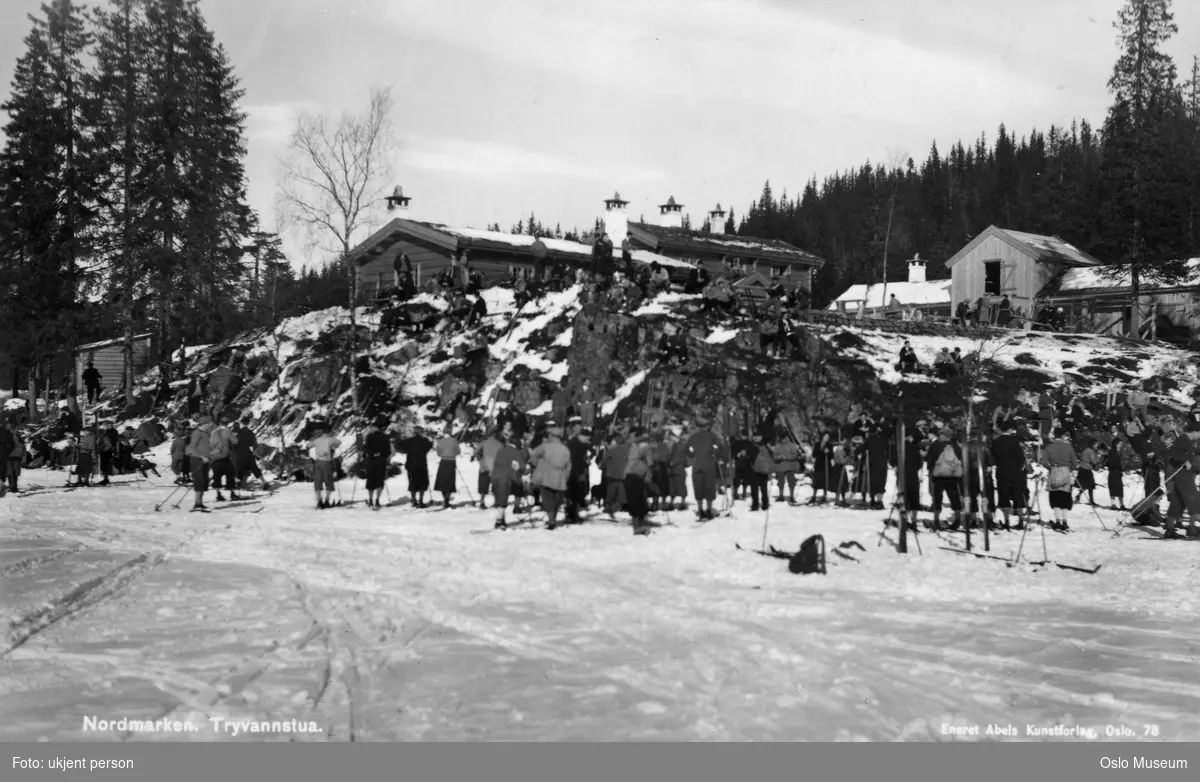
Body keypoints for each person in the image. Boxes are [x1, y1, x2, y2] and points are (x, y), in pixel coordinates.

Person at [529, 425, 572, 529]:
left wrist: (537, 464)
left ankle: (551, 520)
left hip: (546, 476)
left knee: (547, 498)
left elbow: (533, 455)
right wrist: (565, 477)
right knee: (557, 499)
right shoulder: (565, 449)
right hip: (560, 478)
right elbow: (569, 466)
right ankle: (554, 518)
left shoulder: (545, 446)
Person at [1161, 427, 1200, 539]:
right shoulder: (1183, 439)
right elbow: (1176, 454)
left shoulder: (1186, 441)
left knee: (1177, 502)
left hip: (1180, 475)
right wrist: (1185, 461)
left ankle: (1169, 529)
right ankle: (1192, 529)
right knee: (1194, 500)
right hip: (1183, 474)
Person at [1039, 427, 1078, 531]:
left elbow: (1043, 461)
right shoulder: (1068, 446)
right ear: (1063, 435)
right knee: (1065, 497)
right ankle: (1065, 521)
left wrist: (1050, 468)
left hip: (1054, 471)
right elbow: (1075, 462)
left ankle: (1057, 521)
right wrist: (1070, 470)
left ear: (1054, 435)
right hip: (1065, 471)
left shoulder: (1049, 447)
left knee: (1055, 497)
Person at [925, 426, 964, 531]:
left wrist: (931, 470)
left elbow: (930, 460)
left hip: (938, 477)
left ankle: (936, 520)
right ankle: (957, 519)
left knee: (937, 498)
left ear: (942, 435)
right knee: (954, 497)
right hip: (952, 476)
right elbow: (960, 459)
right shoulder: (955, 446)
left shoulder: (935, 445)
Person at [491, 428, 530, 529]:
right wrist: (524, 471)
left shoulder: (501, 451)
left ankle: (502, 520)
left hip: (495, 475)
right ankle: (499, 522)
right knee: (503, 500)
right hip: (505, 477)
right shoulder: (515, 452)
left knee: (499, 498)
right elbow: (521, 466)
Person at [687, 417, 721, 520]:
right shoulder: (712, 436)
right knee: (709, 487)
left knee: (698, 487)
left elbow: (687, 450)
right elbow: (718, 448)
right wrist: (715, 455)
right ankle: (709, 510)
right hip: (709, 465)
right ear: (706, 426)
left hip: (697, 466)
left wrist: (693, 456)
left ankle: (700, 509)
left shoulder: (693, 437)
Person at [623, 428, 656, 535]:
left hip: (633, 476)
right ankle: (638, 526)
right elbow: (650, 463)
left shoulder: (635, 445)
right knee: (637, 501)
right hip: (634, 476)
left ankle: (640, 524)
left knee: (639, 501)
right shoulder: (642, 446)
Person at [396, 427, 433, 507]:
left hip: (411, 464)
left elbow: (399, 445)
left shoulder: (409, 441)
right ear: (421, 432)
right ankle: (421, 500)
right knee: (422, 482)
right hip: (421, 463)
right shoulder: (425, 441)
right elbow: (430, 446)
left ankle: (413, 499)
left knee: (412, 482)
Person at [308, 422, 342, 509]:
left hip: (318, 461)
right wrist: (333, 447)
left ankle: (319, 500)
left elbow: (308, 445)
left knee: (317, 481)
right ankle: (327, 500)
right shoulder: (331, 439)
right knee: (328, 481)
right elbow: (339, 442)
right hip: (327, 462)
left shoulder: (317, 440)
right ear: (328, 432)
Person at [362, 415, 392, 510]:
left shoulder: (369, 436)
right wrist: (386, 459)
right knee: (380, 480)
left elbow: (366, 449)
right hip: (381, 460)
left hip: (371, 460)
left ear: (375, 427)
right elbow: (389, 451)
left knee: (371, 480)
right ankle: (377, 500)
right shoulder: (386, 437)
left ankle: (370, 499)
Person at [185, 414, 215, 511]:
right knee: (199, 480)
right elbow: (192, 447)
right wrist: (201, 456)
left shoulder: (206, 433)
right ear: (204, 424)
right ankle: (197, 503)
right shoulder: (197, 433)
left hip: (205, 459)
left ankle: (200, 503)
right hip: (197, 459)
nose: (210, 425)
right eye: (208, 423)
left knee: (204, 481)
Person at [209, 414, 240, 502]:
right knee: (230, 474)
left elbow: (211, 443)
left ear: (219, 423)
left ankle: (218, 494)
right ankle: (232, 493)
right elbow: (235, 441)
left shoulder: (213, 432)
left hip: (214, 457)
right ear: (227, 423)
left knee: (216, 476)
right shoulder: (227, 431)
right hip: (224, 456)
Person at [233, 415, 265, 491]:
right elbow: (255, 444)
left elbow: (233, 443)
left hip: (239, 453)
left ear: (242, 423)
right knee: (254, 467)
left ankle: (240, 484)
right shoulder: (251, 433)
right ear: (248, 423)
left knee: (240, 468)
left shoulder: (238, 433)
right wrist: (254, 451)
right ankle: (264, 482)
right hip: (248, 452)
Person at [771, 435, 802, 504]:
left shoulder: (792, 445)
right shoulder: (778, 446)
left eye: (784, 437)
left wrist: (787, 457)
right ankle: (781, 495)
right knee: (780, 482)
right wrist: (779, 457)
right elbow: (774, 455)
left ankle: (791, 496)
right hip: (780, 466)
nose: (783, 439)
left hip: (790, 466)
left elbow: (795, 455)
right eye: (782, 438)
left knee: (791, 481)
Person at [433, 427, 460, 508]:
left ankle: (445, 498)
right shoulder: (454, 440)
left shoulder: (440, 441)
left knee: (442, 480)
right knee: (450, 481)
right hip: (451, 462)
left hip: (443, 461)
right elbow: (458, 452)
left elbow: (438, 453)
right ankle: (447, 499)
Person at [1075, 439, 1100, 506]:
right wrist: (1099, 456)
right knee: (1090, 485)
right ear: (1093, 445)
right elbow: (1094, 461)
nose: (1097, 445)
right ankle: (1091, 500)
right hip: (1086, 469)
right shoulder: (1091, 451)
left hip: (1082, 468)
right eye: (1096, 444)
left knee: (1084, 484)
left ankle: (1078, 495)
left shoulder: (1086, 450)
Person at [1105, 439, 1126, 511]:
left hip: (1117, 473)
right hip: (1114, 472)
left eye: (1121, 444)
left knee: (1119, 489)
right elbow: (1110, 462)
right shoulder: (1113, 452)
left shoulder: (1119, 452)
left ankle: (1121, 504)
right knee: (1113, 489)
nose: (1121, 445)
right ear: (1116, 444)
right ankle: (1113, 504)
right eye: (1119, 444)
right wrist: (1118, 466)